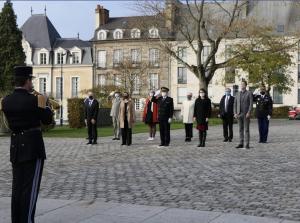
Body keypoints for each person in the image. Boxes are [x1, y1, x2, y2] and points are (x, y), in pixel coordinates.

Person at [0, 66, 53, 223]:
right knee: (30, 189)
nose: (32, 84)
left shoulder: (6, 101)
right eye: (31, 81)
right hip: (32, 146)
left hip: (16, 146)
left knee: (17, 188)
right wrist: (46, 104)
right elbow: (47, 120)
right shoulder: (35, 100)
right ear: (27, 81)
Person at [234, 80, 253, 149]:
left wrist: (249, 112)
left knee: (246, 129)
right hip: (239, 114)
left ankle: (247, 144)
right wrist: (235, 113)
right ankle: (241, 143)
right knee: (240, 129)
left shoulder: (249, 93)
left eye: (243, 84)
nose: (242, 85)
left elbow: (251, 104)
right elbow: (235, 104)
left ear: (245, 85)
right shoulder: (237, 93)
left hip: (246, 114)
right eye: (241, 84)